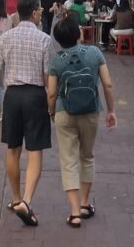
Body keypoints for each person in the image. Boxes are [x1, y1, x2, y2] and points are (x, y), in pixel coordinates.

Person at [0, 0, 53, 228]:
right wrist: (51, 101)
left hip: (13, 96)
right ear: (35, 12)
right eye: (40, 10)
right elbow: (48, 77)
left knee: (13, 149)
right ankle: (26, 201)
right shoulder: (44, 39)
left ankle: (16, 198)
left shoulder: (7, 38)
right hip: (35, 95)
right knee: (35, 150)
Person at [47, 16, 116, 227]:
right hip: (91, 111)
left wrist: (52, 113)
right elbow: (108, 84)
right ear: (78, 34)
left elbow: (51, 93)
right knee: (87, 156)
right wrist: (111, 111)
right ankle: (85, 204)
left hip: (63, 112)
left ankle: (74, 212)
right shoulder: (95, 53)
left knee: (68, 160)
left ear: (59, 40)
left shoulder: (56, 60)